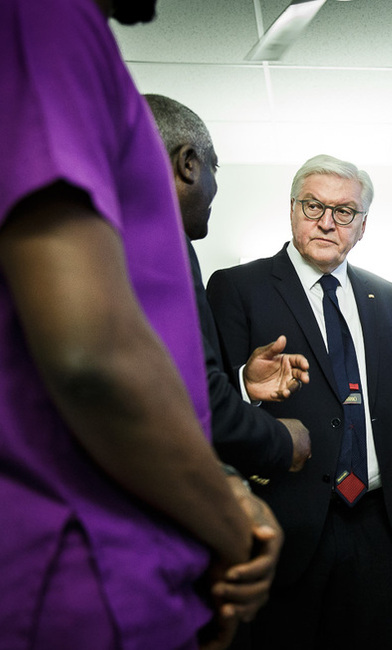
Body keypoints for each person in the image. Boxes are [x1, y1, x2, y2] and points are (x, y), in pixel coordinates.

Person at [0, 1, 280, 649]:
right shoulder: (33, 16)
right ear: (191, 164)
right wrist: (236, 528)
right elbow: (92, 358)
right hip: (72, 574)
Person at [206, 154, 392, 648]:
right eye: (313, 206)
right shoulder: (237, 287)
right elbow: (208, 400)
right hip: (285, 521)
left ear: (363, 225)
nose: (327, 221)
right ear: (292, 210)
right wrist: (246, 383)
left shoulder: (387, 296)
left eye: (344, 211)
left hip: (380, 525)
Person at [144, 93, 312, 483]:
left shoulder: (101, 237)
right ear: (188, 164)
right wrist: (283, 440)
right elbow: (190, 402)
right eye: (213, 167)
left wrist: (240, 385)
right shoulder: (162, 243)